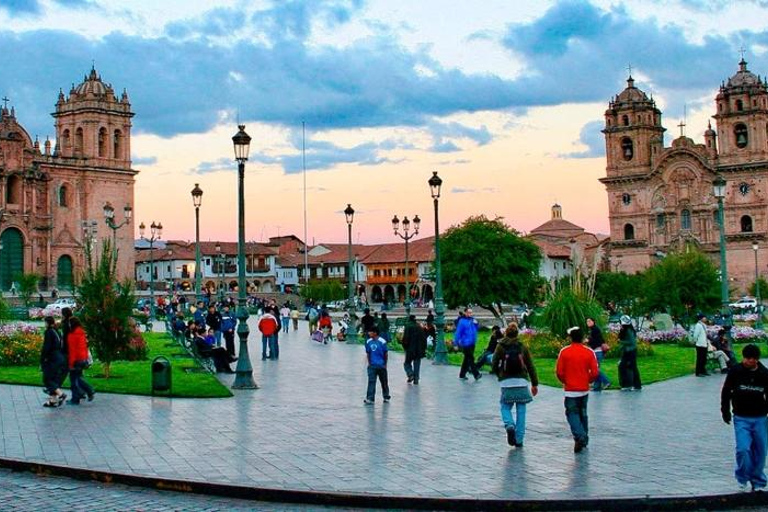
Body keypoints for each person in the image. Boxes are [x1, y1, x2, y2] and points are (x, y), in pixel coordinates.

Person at [721, 344, 768, 492]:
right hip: (741, 417)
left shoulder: (764, 373)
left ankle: (758, 480)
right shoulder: (736, 371)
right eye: (745, 358)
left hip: (760, 417)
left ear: (756, 360)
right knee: (743, 449)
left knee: (760, 451)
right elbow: (726, 391)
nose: (747, 361)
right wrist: (725, 411)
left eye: (750, 359)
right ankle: (742, 477)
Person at [492, 323, 538, 448]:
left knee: (505, 406)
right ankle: (519, 439)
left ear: (506, 333)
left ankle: (509, 424)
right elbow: (530, 366)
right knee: (521, 409)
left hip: (506, 381)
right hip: (521, 381)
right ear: (517, 333)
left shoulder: (500, 346)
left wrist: (500, 375)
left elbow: (494, 363)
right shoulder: (522, 346)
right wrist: (534, 384)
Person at [555, 326, 598, 453]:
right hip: (583, 388)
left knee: (571, 413)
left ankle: (579, 436)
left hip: (570, 389)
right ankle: (584, 438)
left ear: (570, 338)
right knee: (583, 413)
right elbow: (595, 372)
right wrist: (588, 380)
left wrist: (565, 381)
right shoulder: (589, 352)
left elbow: (559, 372)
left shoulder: (565, 352)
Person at [67, 317, 95, 405]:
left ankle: (86, 392)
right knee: (78, 377)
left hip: (76, 360)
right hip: (83, 358)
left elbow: (72, 351)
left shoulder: (72, 335)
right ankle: (82, 394)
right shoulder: (81, 333)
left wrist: (71, 363)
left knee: (74, 379)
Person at [41, 316, 67, 407]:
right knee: (54, 379)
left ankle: (61, 394)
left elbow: (46, 347)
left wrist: (43, 358)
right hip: (60, 358)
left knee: (47, 379)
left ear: (47, 323)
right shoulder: (57, 331)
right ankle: (53, 400)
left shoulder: (48, 332)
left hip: (52, 358)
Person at [364, 325, 390, 404]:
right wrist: (369, 363)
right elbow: (368, 353)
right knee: (371, 381)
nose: (369, 333)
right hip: (372, 365)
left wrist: (385, 364)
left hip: (381, 365)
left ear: (375, 333)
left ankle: (386, 396)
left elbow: (385, 354)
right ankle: (370, 398)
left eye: (370, 332)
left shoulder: (382, 342)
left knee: (384, 381)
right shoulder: (368, 342)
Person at [454, 308, 481, 380]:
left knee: (467, 359)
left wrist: (476, 324)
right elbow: (458, 333)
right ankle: (476, 374)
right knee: (471, 358)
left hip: (472, 342)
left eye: (471, 312)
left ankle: (462, 374)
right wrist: (456, 343)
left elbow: (477, 329)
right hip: (465, 343)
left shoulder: (472, 320)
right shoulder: (462, 321)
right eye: (469, 312)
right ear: (465, 313)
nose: (470, 314)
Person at [586, 317, 611, 391]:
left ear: (593, 321)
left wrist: (588, 341)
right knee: (596, 369)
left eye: (590, 321)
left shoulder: (595, 330)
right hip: (597, 351)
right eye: (587, 321)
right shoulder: (594, 330)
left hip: (597, 351)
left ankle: (606, 381)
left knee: (595, 369)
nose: (588, 322)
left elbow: (597, 341)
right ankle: (597, 387)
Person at [618, 315, 642, 391]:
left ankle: (631, 385)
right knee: (628, 367)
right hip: (628, 351)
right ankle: (633, 385)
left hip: (630, 351)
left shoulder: (628, 330)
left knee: (629, 367)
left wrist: (621, 342)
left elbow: (631, 342)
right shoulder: (627, 329)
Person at [401, 315, 427, 384]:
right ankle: (416, 379)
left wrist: (405, 347)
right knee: (417, 364)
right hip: (419, 350)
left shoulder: (408, 327)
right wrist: (423, 349)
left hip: (410, 349)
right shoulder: (419, 327)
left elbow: (405, 339)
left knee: (407, 363)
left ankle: (410, 374)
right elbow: (424, 339)